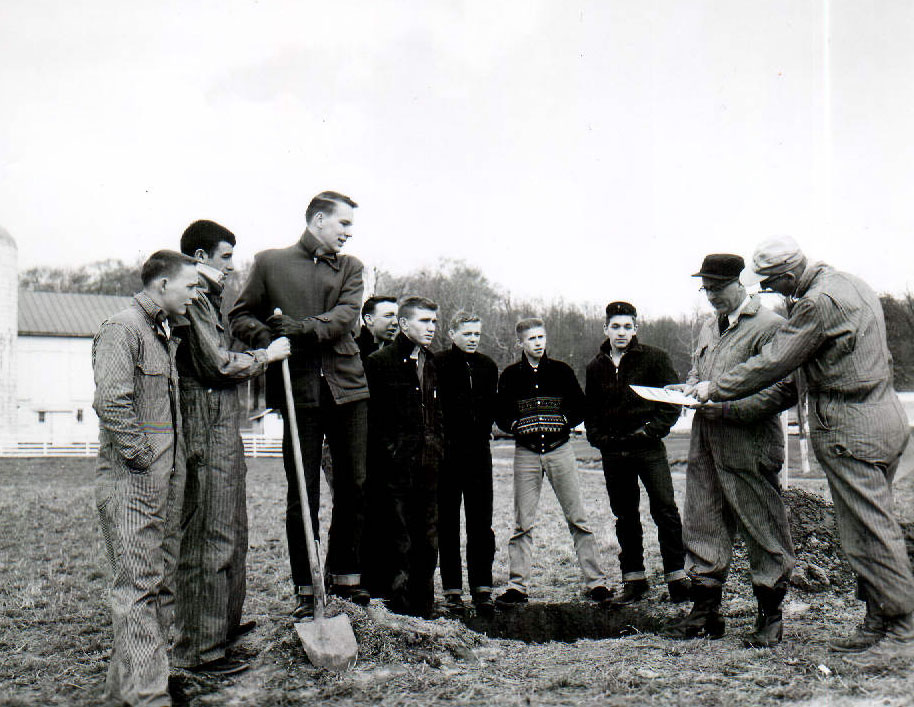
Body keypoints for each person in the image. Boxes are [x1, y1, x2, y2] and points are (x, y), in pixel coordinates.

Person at [692, 238, 914, 665]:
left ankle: (902, 631)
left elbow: (775, 361)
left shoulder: (814, 303)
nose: (776, 293)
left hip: (852, 424)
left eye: (775, 285)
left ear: (790, 276)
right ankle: (877, 621)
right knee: (866, 526)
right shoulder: (853, 283)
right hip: (883, 416)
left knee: (869, 531)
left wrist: (714, 388)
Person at [229, 191, 370, 617]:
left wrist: (302, 328)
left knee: (354, 484)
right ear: (319, 220)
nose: (349, 233)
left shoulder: (352, 268)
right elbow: (239, 316)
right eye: (343, 224)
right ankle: (307, 586)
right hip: (298, 391)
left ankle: (346, 578)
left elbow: (346, 317)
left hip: (348, 389)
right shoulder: (270, 263)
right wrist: (270, 339)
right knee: (303, 492)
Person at [170, 221, 290, 675]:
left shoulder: (209, 302)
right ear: (199, 259)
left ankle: (222, 632)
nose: (231, 265)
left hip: (223, 431)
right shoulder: (193, 302)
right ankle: (200, 651)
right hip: (205, 433)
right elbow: (216, 364)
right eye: (224, 257)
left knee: (233, 536)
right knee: (209, 541)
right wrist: (266, 357)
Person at [662, 254, 797, 647]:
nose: (711, 297)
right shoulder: (708, 325)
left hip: (748, 442)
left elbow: (783, 388)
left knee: (762, 527)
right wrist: (686, 388)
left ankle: (770, 615)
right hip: (706, 442)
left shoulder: (770, 326)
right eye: (706, 289)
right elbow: (699, 372)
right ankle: (706, 612)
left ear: (741, 285)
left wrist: (727, 406)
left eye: (718, 288)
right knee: (702, 521)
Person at [93, 250, 199, 706]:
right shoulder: (124, 328)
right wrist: (142, 460)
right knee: (137, 589)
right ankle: (151, 697)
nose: (196, 295)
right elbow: (112, 403)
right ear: (162, 285)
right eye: (191, 286)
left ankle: (126, 692)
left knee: (153, 586)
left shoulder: (161, 334)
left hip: (160, 485)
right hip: (132, 484)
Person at [494, 318, 610, 606]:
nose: (538, 343)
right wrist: (516, 425)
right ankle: (517, 586)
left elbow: (581, 406)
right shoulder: (510, 375)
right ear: (520, 342)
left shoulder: (561, 371)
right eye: (532, 338)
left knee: (578, 518)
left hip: (560, 450)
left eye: (541, 337)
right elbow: (501, 414)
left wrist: (563, 420)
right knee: (523, 522)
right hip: (527, 454)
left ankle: (596, 582)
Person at [584, 301, 690, 607]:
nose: (621, 333)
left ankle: (677, 577)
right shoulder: (595, 366)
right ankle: (634, 578)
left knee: (665, 509)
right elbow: (591, 410)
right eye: (615, 326)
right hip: (614, 451)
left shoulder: (655, 359)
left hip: (648, 448)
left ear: (636, 328)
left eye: (627, 327)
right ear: (605, 328)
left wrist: (650, 431)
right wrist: (600, 439)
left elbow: (671, 402)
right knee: (625, 515)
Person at [363, 296, 444, 618]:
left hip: (429, 464)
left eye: (435, 322)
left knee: (428, 536)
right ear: (404, 324)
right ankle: (396, 607)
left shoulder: (432, 362)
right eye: (425, 321)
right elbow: (375, 418)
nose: (431, 328)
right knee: (396, 537)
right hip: (394, 468)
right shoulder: (380, 362)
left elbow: (438, 413)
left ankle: (424, 606)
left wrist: (439, 446)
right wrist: (390, 452)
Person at [436, 311, 499, 615]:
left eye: (477, 333)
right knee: (447, 523)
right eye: (467, 333)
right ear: (452, 334)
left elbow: (492, 407)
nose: (473, 339)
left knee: (480, 523)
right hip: (447, 455)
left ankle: (483, 588)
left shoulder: (488, 366)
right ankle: (452, 591)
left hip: (478, 453)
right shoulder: (438, 364)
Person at [356, 294, 399, 597]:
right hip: (359, 443)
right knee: (359, 510)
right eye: (387, 316)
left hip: (390, 447)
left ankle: (386, 584)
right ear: (369, 320)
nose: (395, 321)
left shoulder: (399, 353)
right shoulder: (356, 352)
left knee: (390, 513)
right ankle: (356, 581)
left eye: (397, 315)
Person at [356, 295, 399, 362]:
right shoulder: (353, 350)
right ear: (369, 319)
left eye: (396, 317)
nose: (396, 322)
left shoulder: (397, 352)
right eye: (388, 316)